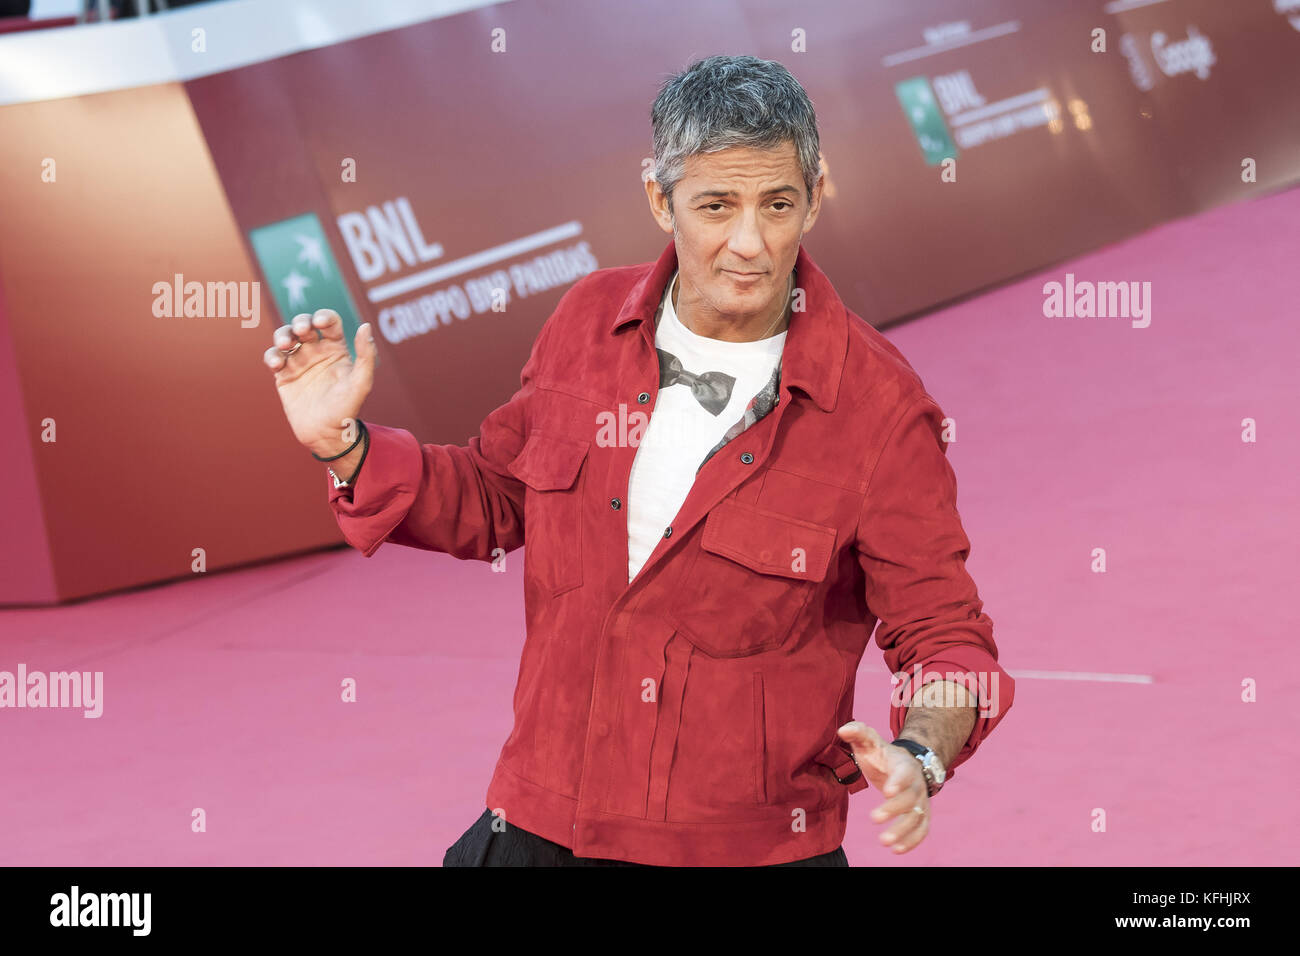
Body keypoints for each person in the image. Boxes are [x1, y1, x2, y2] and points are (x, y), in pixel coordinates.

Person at [263, 54, 1014, 867]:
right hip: (539, 823)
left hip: (748, 853)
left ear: (818, 196)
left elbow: (947, 635)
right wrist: (345, 444)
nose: (750, 244)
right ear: (660, 197)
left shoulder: (880, 408)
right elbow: (493, 495)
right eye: (716, 206)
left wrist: (922, 755)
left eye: (779, 204)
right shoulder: (587, 323)